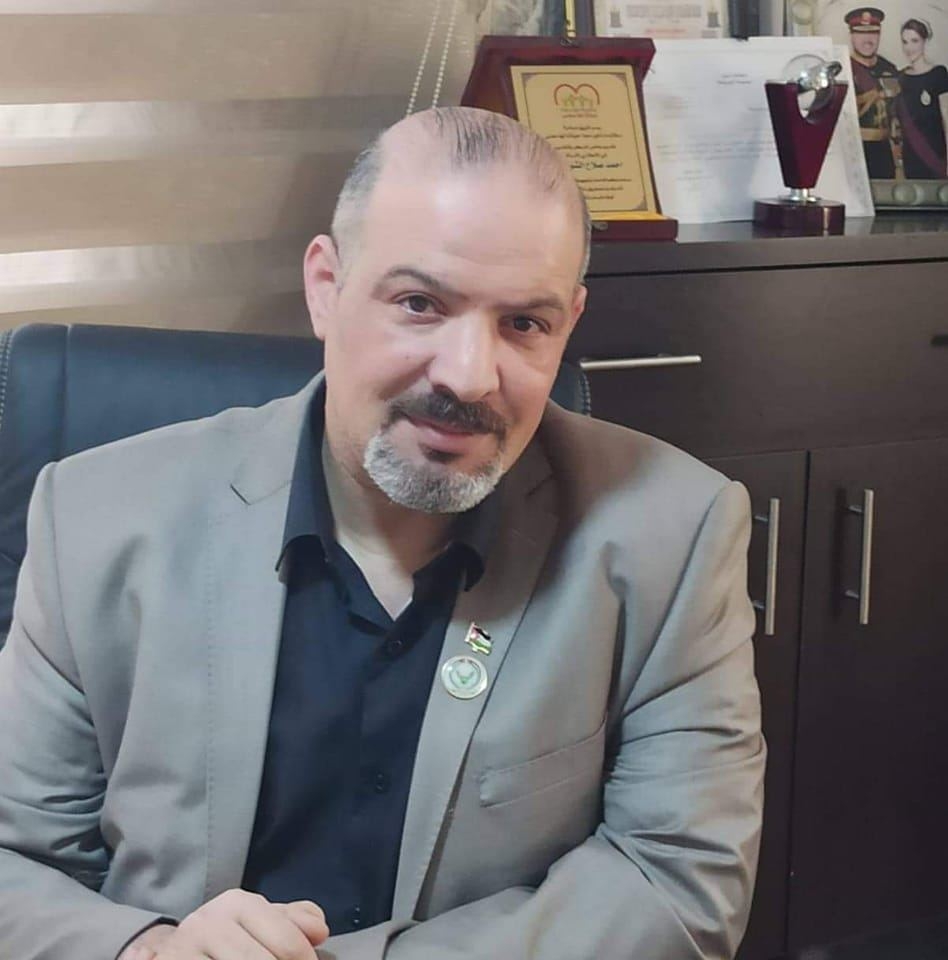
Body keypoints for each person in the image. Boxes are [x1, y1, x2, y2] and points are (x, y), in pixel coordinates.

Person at [0, 106, 764, 960]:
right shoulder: (96, 516)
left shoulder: (674, 533)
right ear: (325, 287)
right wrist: (148, 950)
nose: (468, 376)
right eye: (419, 303)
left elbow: (677, 880)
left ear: (569, 324)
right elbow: (14, 861)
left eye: (524, 323)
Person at [847, 6, 901, 177]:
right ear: (851, 35)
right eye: (860, 33)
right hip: (853, 149)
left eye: (873, 32)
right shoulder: (844, 68)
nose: (868, 39)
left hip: (884, 151)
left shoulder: (890, 69)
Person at [897, 18, 948, 178]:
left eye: (915, 41)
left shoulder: (938, 74)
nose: (909, 48)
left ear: (925, 41)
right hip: (910, 159)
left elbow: (947, 117)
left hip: (936, 156)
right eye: (905, 42)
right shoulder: (900, 77)